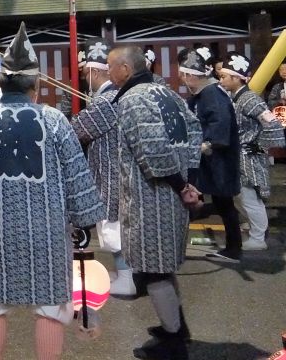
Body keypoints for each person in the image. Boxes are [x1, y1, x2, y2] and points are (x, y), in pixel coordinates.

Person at [0, 23, 106, 360]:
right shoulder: (55, 121)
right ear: (36, 85)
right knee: (50, 304)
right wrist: (84, 221)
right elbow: (76, 176)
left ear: (0, 83)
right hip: (47, 232)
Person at [108, 46, 202, 360]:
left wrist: (181, 186)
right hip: (174, 195)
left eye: (110, 66)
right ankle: (177, 326)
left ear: (125, 69)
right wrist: (190, 181)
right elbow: (194, 132)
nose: (109, 72)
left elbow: (153, 150)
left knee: (154, 270)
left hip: (153, 198)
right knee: (162, 265)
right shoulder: (168, 93)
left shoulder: (134, 99)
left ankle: (173, 341)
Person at [69, 39, 135, 298]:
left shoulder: (107, 100)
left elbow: (78, 130)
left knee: (113, 226)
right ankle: (125, 274)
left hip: (110, 173)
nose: (84, 77)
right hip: (118, 170)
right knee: (118, 224)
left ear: (95, 72)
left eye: (85, 72)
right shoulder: (116, 97)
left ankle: (127, 279)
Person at [178, 47, 243, 263]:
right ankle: (233, 248)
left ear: (190, 75)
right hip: (210, 159)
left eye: (184, 75)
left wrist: (205, 144)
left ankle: (234, 249)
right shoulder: (202, 94)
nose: (183, 80)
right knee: (219, 202)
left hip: (218, 158)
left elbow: (220, 124)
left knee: (223, 202)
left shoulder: (212, 94)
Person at [219, 54, 285, 250]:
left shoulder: (249, 99)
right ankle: (254, 226)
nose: (221, 80)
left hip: (248, 155)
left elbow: (272, 123)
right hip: (239, 154)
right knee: (240, 196)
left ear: (236, 78)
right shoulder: (237, 97)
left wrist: (261, 146)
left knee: (249, 197)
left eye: (224, 77)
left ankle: (258, 238)